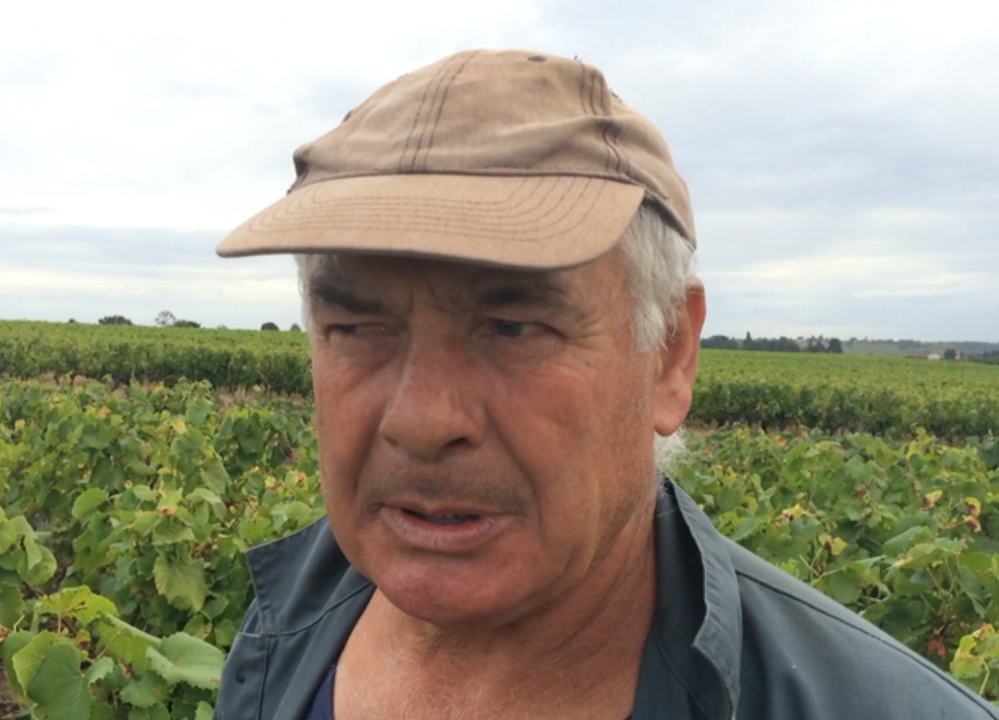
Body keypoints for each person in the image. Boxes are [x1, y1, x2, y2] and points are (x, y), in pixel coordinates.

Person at [212, 50, 997, 719]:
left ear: (670, 356)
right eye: (354, 328)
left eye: (513, 326)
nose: (420, 419)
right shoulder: (286, 622)